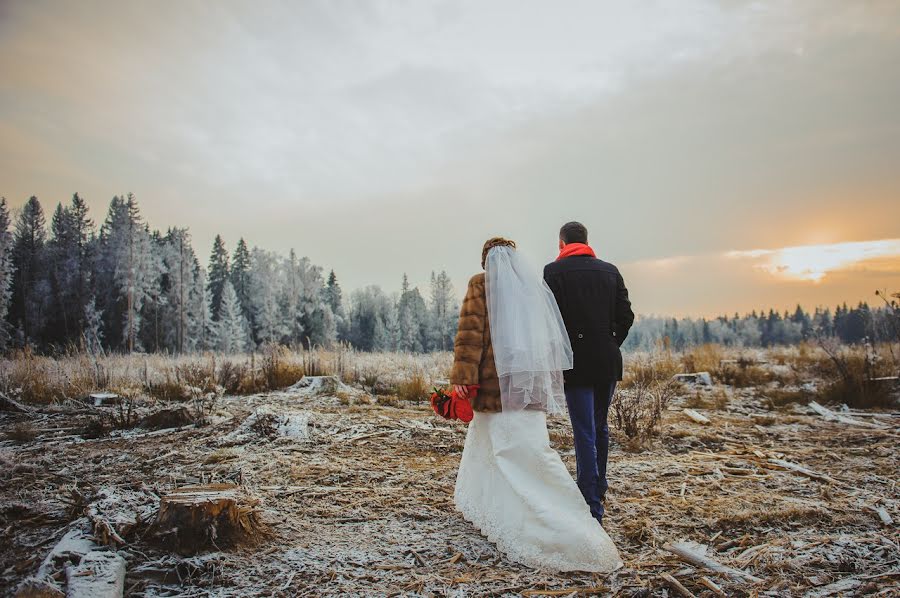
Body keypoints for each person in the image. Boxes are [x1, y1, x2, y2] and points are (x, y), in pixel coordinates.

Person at [449, 236, 622, 573]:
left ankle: (534, 517)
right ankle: (514, 508)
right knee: (527, 451)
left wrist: (462, 377)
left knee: (502, 453)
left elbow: (470, 336)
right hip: (527, 392)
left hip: (491, 389)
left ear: (486, 260)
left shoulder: (479, 284)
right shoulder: (529, 289)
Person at [543, 221, 634, 525]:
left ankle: (590, 501)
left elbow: (547, 319)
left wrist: (560, 351)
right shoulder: (610, 271)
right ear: (586, 241)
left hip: (575, 362)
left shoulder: (552, 273)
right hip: (607, 360)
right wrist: (610, 342)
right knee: (599, 425)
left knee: (583, 429)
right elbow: (626, 316)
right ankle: (600, 485)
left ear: (561, 243)